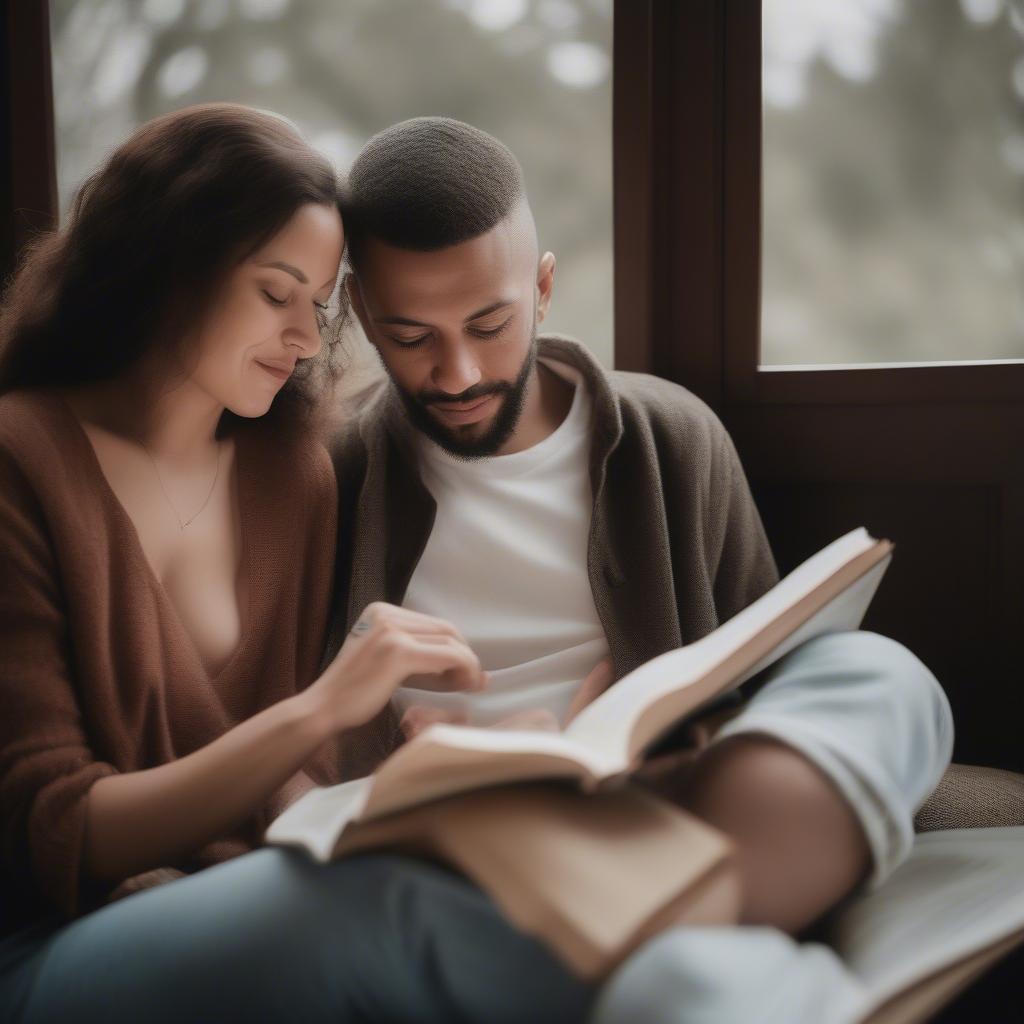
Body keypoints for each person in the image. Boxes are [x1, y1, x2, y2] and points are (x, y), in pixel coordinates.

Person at [328, 117, 956, 1021]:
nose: (457, 373)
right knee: (690, 982)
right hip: (457, 855)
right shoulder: (337, 476)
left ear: (542, 290)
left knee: (877, 673)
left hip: (666, 809)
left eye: (489, 323)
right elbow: (290, 732)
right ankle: (695, 944)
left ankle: (672, 924)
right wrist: (414, 776)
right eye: (410, 335)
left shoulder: (672, 436)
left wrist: (661, 746)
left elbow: (763, 666)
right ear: (358, 313)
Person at [0, 104, 592, 1024]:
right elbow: (58, 833)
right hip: (50, 940)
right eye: (276, 295)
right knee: (378, 916)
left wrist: (411, 787)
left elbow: (275, 788)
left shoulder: (291, 476)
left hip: (235, 903)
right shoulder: (19, 462)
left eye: (317, 307)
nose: (309, 341)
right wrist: (321, 708)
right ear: (166, 266)